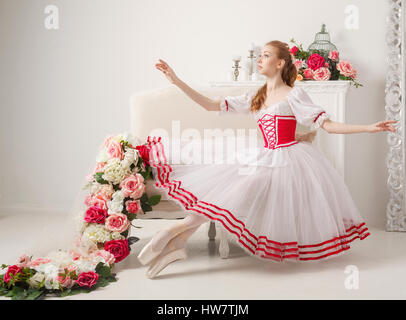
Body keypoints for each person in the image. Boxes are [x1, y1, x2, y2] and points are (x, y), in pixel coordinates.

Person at [137, 40, 397, 279]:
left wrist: (369, 127)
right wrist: (177, 81)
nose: (260, 59)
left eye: (266, 55)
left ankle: (174, 235)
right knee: (228, 186)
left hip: (291, 161)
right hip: (265, 156)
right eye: (259, 55)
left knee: (238, 186)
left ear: (280, 63)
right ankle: (177, 241)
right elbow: (210, 105)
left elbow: (327, 125)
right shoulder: (256, 96)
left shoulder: (294, 94)